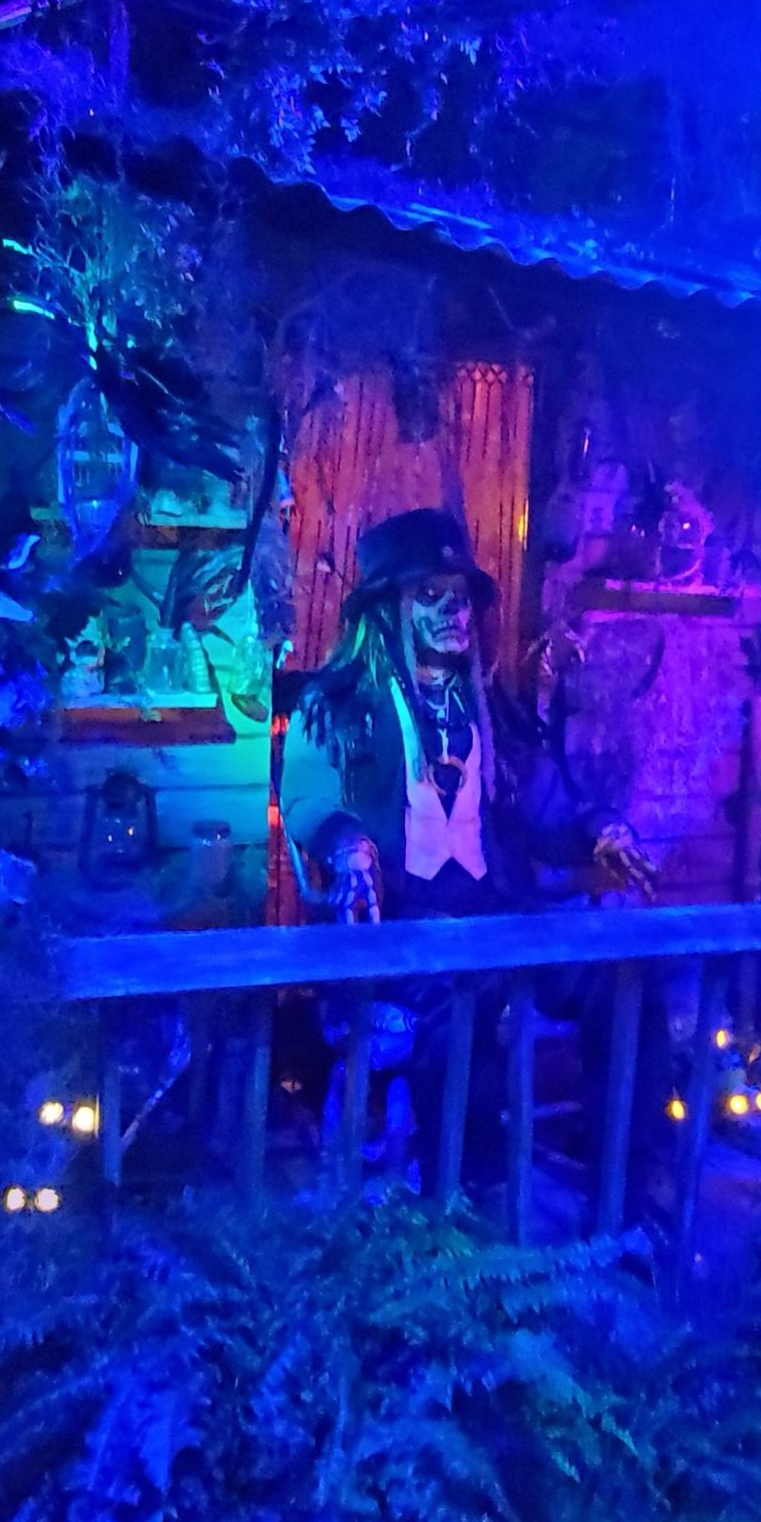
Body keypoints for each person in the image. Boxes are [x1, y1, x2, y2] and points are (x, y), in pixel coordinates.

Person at [280, 508, 657, 1194]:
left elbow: (543, 808)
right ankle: (462, 1209)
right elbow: (307, 797)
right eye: (430, 595)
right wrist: (348, 843)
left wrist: (601, 828)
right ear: (387, 608)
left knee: (623, 983)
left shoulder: (490, 710)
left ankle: (624, 1195)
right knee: (460, 1018)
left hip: (499, 912)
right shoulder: (334, 706)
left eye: (459, 597)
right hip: (401, 927)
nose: (453, 612)